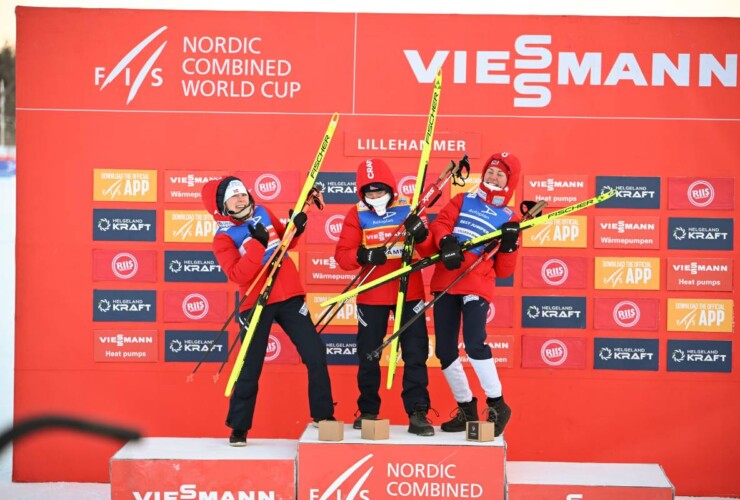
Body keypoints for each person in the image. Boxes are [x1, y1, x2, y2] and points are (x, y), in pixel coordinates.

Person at [201, 176, 335, 446]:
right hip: (256, 302)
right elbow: (239, 274)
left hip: (288, 295)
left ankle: (324, 416)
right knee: (250, 365)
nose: (242, 198)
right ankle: (239, 427)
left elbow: (286, 242)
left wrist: (295, 227)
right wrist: (256, 244)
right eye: (234, 196)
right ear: (221, 205)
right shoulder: (223, 237)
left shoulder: (262, 212)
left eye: (243, 193)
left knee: (315, 352)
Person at [334, 158, 435, 436]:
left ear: (390, 188)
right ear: (361, 194)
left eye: (380, 191)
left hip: (409, 290)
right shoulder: (356, 214)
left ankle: (418, 413)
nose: (375, 197)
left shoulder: (409, 208)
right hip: (372, 294)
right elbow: (342, 255)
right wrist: (363, 255)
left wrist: (422, 234)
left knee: (415, 352)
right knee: (369, 355)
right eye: (369, 193)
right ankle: (368, 411)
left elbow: (429, 251)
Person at [428, 152, 521, 436]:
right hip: (446, 279)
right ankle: (466, 408)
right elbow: (441, 223)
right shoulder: (463, 199)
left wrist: (508, 245)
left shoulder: (510, 218)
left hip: (476, 283)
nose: (493, 177)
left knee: (474, 342)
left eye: (500, 175)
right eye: (490, 172)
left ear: (509, 181)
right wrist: (445, 241)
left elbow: (504, 270)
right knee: (444, 350)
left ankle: (497, 404)